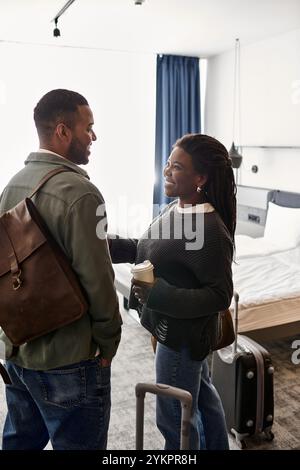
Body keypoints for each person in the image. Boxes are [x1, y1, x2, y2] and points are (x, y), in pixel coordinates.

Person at [0, 89, 122, 450]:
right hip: (70, 359)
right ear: (63, 132)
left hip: (19, 350)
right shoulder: (82, 194)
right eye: (89, 127)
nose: (94, 137)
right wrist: (109, 342)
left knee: (19, 443)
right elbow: (99, 280)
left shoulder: (11, 187)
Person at [109, 133, 235, 450]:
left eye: (177, 166)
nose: (166, 170)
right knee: (201, 397)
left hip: (182, 337)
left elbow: (219, 295)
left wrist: (157, 294)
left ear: (201, 178)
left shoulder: (210, 229)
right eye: (168, 162)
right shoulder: (175, 209)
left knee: (174, 418)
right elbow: (145, 248)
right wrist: (102, 246)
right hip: (176, 333)